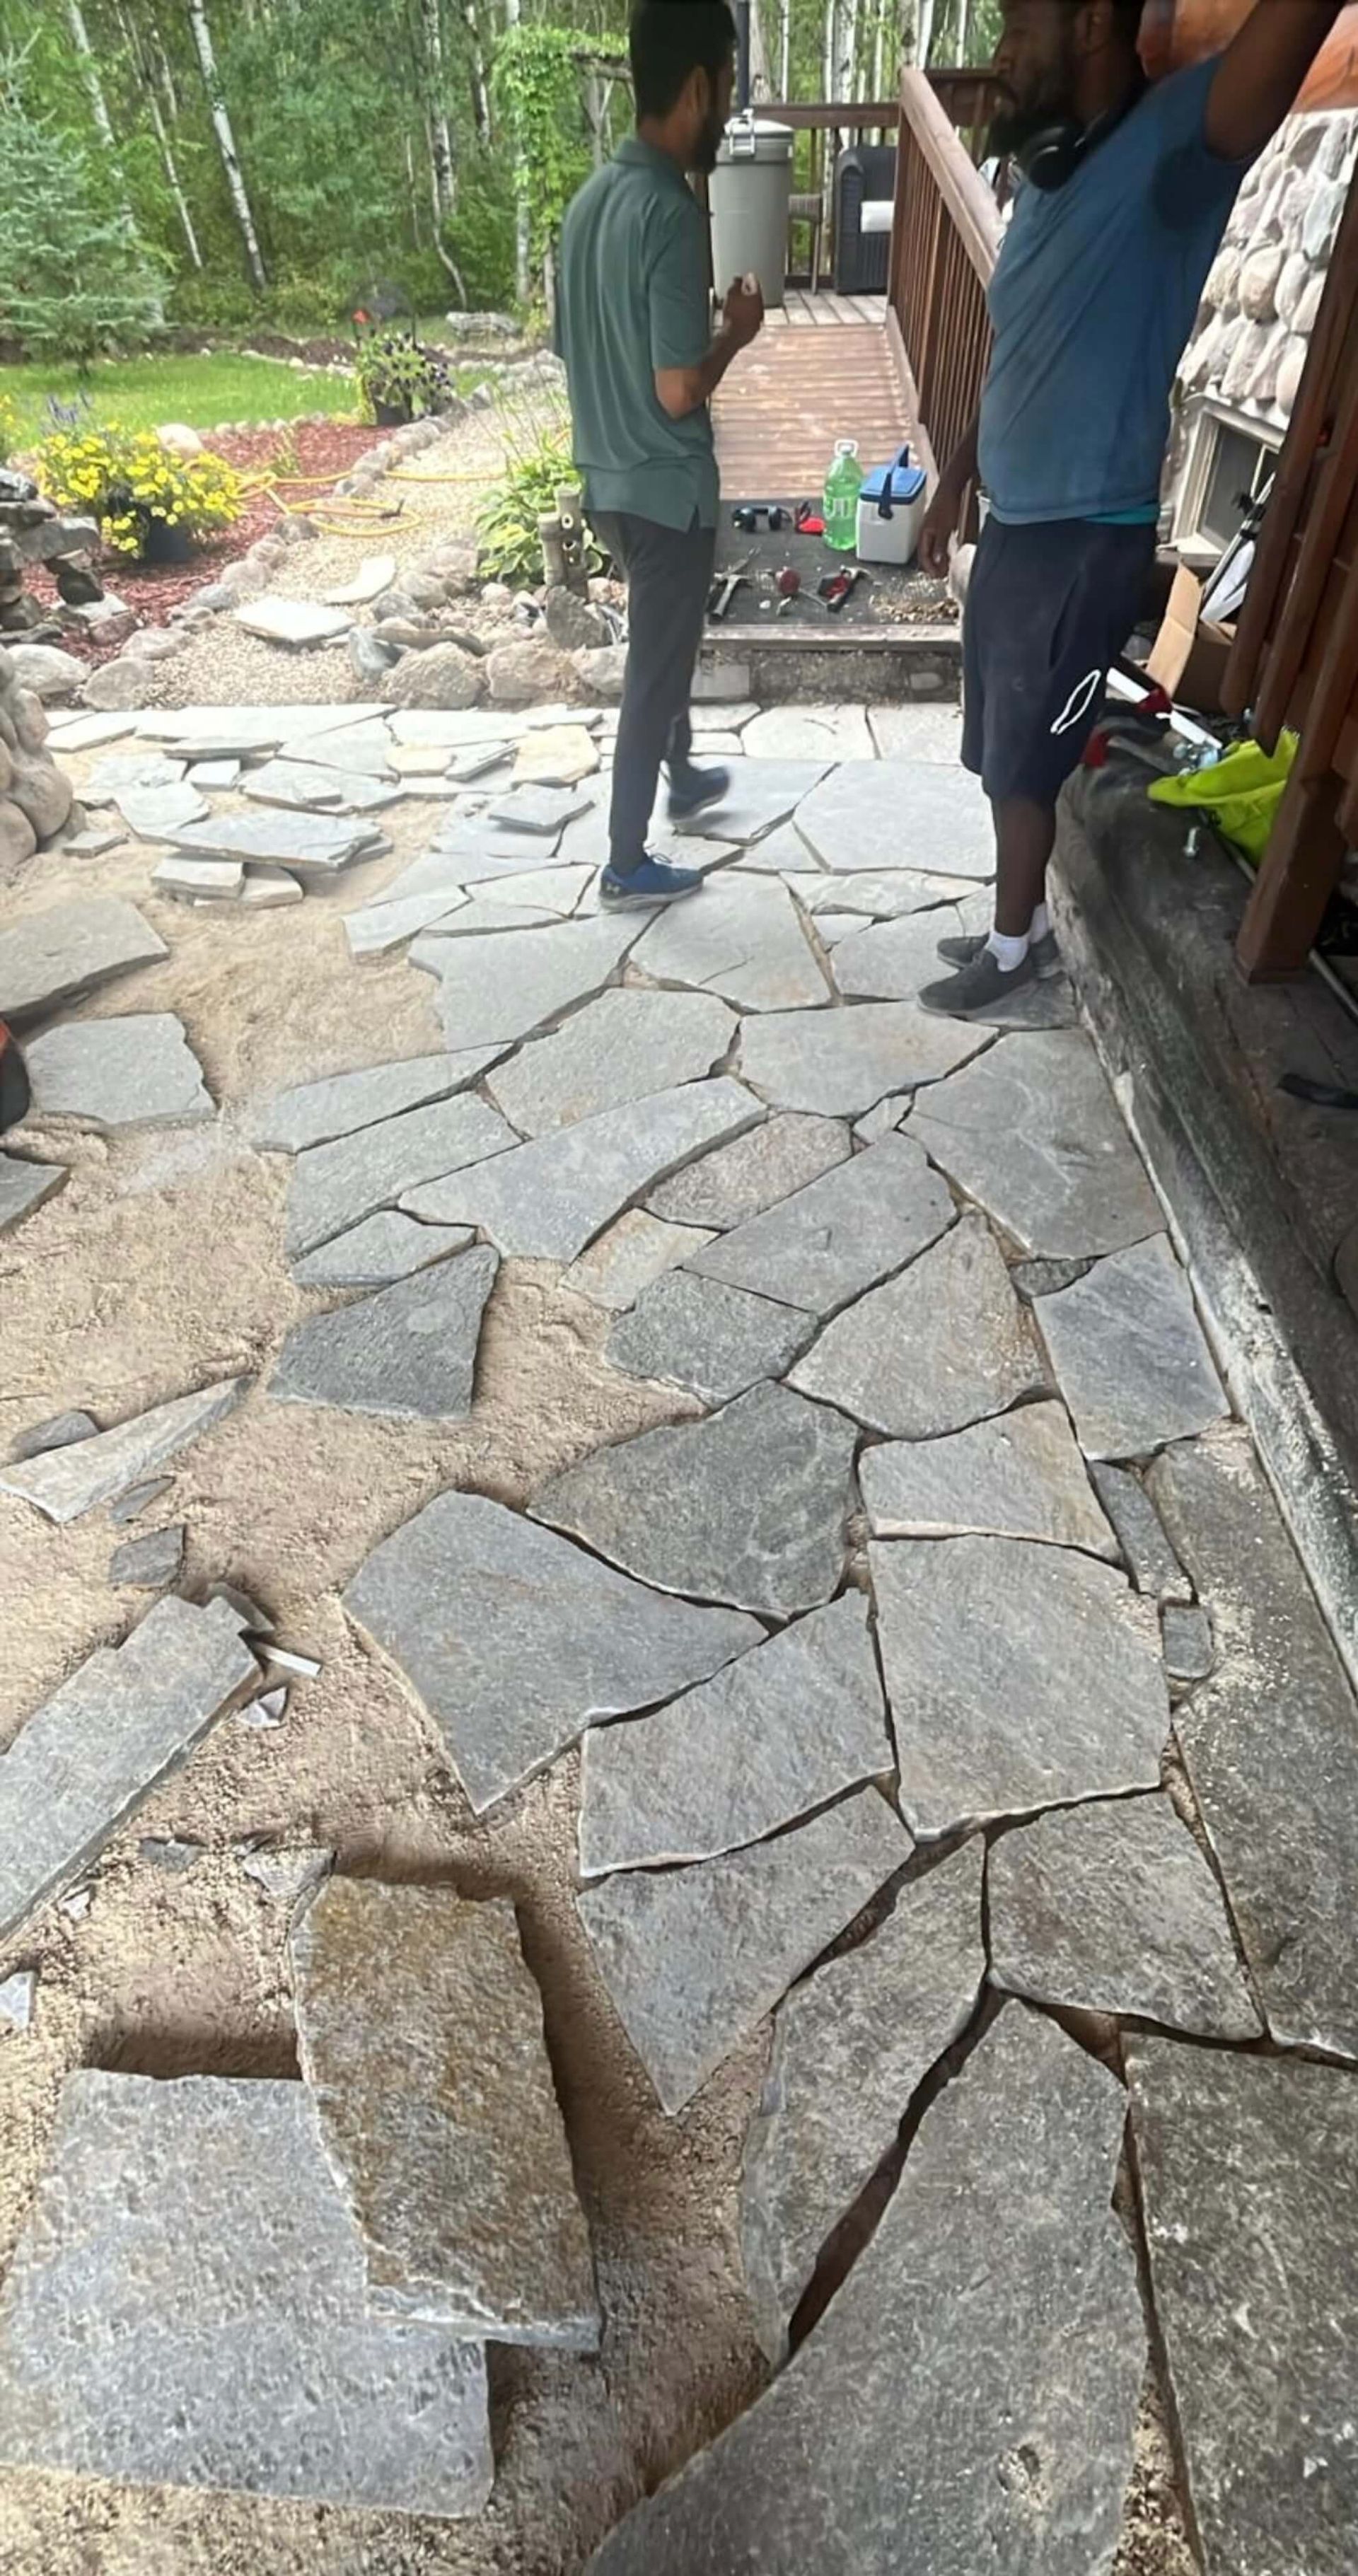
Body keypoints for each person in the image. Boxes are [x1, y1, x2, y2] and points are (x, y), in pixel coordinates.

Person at [916, 0, 1344, 1019]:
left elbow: (1276, 50)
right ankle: (1013, 921)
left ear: (1095, 24)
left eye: (1022, 25)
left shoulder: (1172, 146)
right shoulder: (1052, 178)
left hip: (1080, 540)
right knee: (1002, 755)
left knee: (1027, 767)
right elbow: (1020, 360)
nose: (1002, 54)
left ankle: (1019, 956)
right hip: (1019, 526)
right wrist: (958, 478)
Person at [556, 0, 764, 910]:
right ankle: (626, 859)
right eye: (724, 84)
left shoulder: (589, 202)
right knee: (654, 670)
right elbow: (679, 388)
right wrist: (737, 333)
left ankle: (679, 777)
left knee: (665, 641)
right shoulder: (670, 212)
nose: (724, 106)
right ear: (695, 85)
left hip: (604, 477)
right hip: (666, 491)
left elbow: (573, 349)